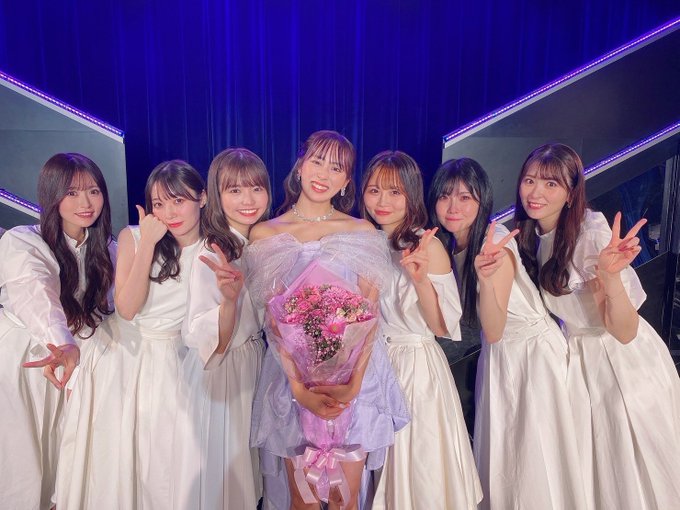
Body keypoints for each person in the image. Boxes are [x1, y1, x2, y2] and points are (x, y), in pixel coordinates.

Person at [244, 130, 409, 510]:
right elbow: (274, 325)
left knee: (343, 500)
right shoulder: (266, 233)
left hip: (356, 381)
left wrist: (352, 386)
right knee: (301, 501)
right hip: (291, 380)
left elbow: (370, 318)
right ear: (300, 165)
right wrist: (300, 390)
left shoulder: (361, 231)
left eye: (336, 168)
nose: (323, 174)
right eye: (317, 161)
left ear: (347, 180)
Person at [515, 142, 680, 509]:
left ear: (571, 193)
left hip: (619, 362)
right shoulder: (533, 236)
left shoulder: (590, 233)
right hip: (578, 361)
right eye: (530, 180)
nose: (536, 192)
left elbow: (624, 330)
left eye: (551, 184)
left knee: (632, 472)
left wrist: (610, 274)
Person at [430, 157, 588, 510]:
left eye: (465, 198)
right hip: (503, 356)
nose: (453, 206)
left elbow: (494, 328)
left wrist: (486, 281)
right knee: (508, 461)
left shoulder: (495, 241)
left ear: (482, 200)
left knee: (532, 459)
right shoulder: (453, 244)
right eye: (444, 196)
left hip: (531, 357)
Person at [56, 160, 206, 509]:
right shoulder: (134, 236)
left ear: (202, 198)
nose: (169, 213)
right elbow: (126, 307)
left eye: (178, 200)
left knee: (160, 464)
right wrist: (148, 243)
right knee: (112, 458)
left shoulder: (212, 249)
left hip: (172, 360)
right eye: (159, 204)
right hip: (121, 355)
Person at [359, 150, 482, 509]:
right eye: (374, 191)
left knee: (419, 465)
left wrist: (420, 280)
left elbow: (443, 325)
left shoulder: (426, 244)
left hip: (415, 367)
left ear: (411, 195)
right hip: (373, 364)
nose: (383, 202)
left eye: (395, 192)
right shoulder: (364, 243)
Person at [0, 153, 115, 510]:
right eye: (72, 193)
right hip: (28, 359)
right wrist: (62, 343)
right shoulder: (23, 241)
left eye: (93, 191)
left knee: (67, 465)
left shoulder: (108, 249)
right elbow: (36, 294)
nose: (85, 203)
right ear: (52, 196)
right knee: (23, 463)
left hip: (78, 366)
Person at [172, 148, 271, 509]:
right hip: (222, 372)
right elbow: (206, 338)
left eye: (256, 188)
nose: (248, 200)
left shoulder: (259, 244)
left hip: (252, 363)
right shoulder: (213, 251)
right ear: (216, 194)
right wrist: (229, 303)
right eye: (235, 190)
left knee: (244, 473)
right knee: (224, 476)